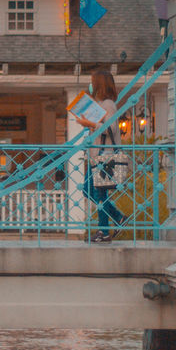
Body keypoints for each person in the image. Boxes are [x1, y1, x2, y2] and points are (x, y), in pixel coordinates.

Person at [73, 68, 126, 243]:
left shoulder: (108, 104)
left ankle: (103, 231)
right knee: (90, 190)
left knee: (98, 193)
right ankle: (118, 217)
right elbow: (101, 128)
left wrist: (89, 122)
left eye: (93, 81)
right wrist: (89, 124)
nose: (91, 85)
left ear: (99, 84)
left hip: (105, 156)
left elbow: (110, 128)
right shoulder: (102, 104)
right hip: (98, 156)